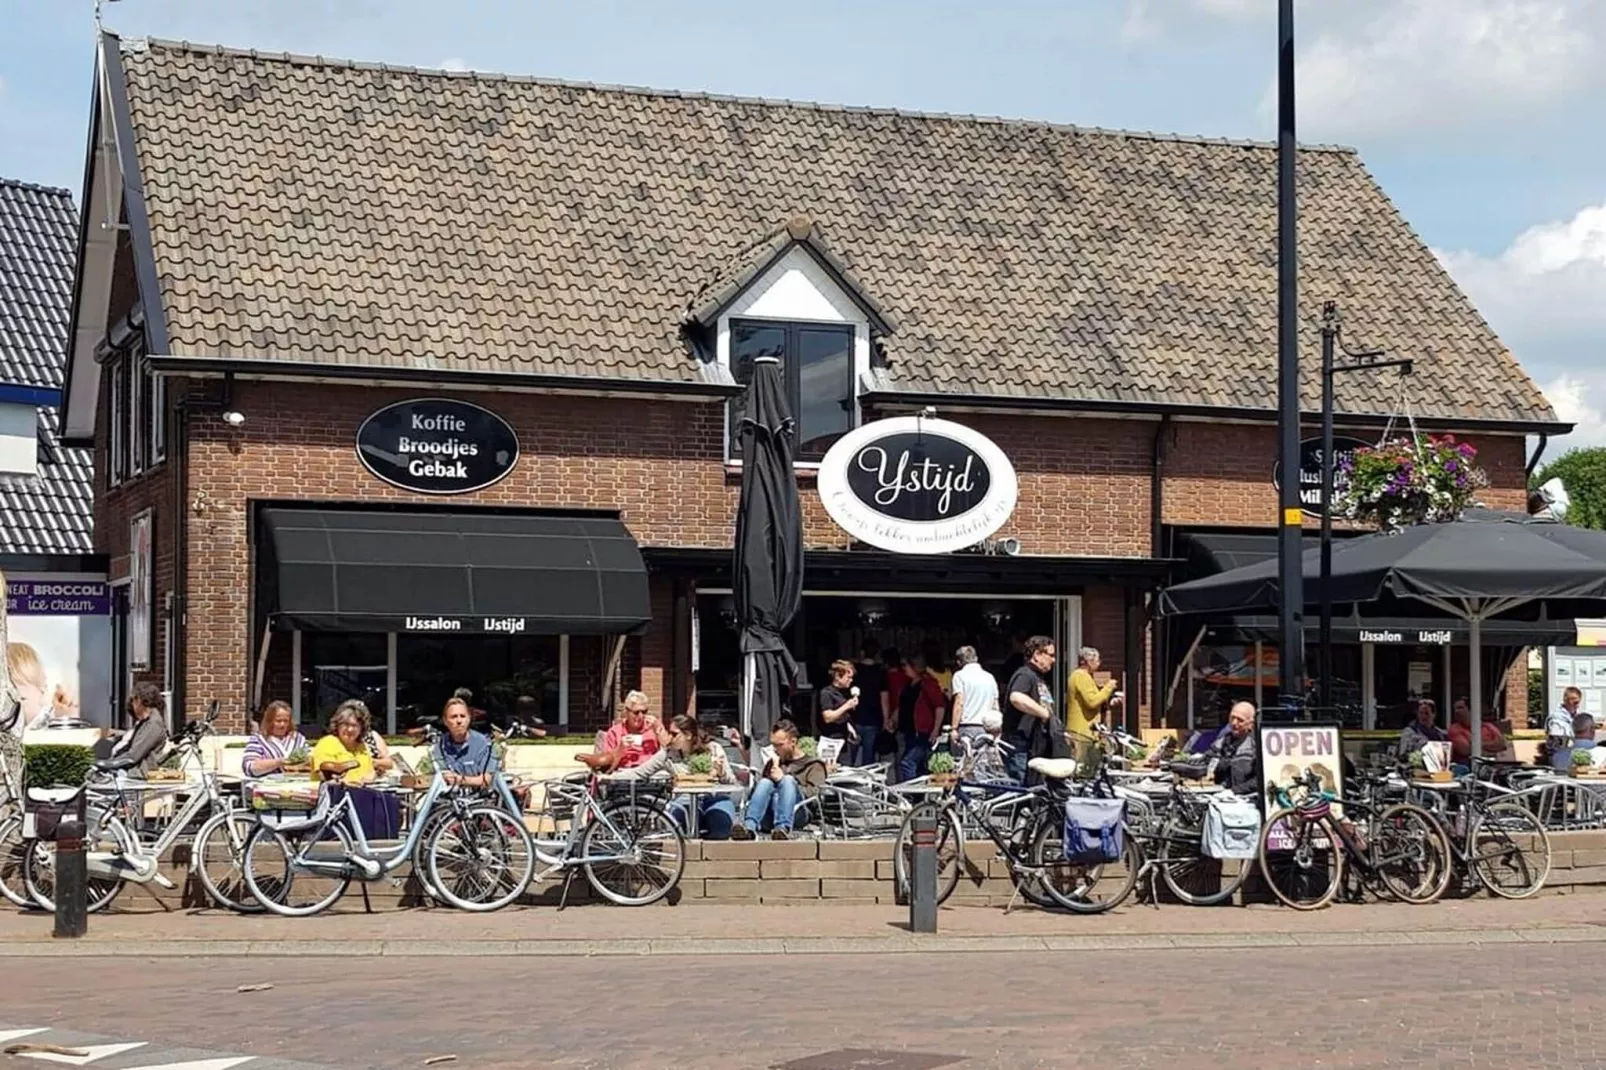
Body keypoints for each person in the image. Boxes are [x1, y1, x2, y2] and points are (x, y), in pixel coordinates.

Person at [617, 714, 737, 839]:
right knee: (678, 829)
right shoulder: (668, 754)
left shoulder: (713, 749)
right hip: (684, 802)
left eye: (674, 734)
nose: (670, 738)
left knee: (720, 830)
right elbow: (639, 772)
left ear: (688, 735)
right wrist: (610, 776)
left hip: (714, 799)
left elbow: (731, 782)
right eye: (669, 733)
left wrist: (721, 771)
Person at [732, 720, 822, 841]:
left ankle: (782, 828)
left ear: (793, 742)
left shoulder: (813, 765)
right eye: (773, 745)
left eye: (779, 745)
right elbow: (759, 792)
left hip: (797, 813)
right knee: (765, 782)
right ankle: (749, 828)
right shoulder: (773, 762)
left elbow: (815, 796)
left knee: (788, 780)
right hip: (768, 813)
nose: (774, 749)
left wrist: (783, 781)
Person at [1005, 635, 1057, 783]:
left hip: (1031, 743)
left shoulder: (1037, 677)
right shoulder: (1025, 675)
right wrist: (1044, 713)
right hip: (1019, 742)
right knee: (1020, 790)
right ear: (1037, 655)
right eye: (1051, 655)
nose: (1053, 660)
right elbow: (1016, 697)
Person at [1176, 701, 1258, 795]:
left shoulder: (1257, 746)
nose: (1234, 723)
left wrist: (1233, 791)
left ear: (1251, 723)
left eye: (1240, 720)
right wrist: (1185, 763)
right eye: (1232, 718)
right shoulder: (1223, 741)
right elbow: (1206, 759)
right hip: (1221, 795)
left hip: (1247, 800)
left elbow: (1260, 780)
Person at [577, 690, 666, 773]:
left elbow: (670, 753)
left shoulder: (653, 729)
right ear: (627, 712)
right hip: (623, 774)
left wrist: (659, 728)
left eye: (644, 712)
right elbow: (607, 769)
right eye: (636, 712)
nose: (640, 716)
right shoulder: (615, 732)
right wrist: (621, 749)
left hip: (651, 774)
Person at [95, 683, 170, 779]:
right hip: (132, 771)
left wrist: (108, 764)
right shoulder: (145, 722)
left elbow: (133, 756)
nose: (132, 705)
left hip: (138, 774)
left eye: (132, 701)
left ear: (138, 700)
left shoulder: (153, 724)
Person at [898, 653, 947, 783]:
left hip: (922, 731)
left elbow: (939, 706)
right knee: (919, 766)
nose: (904, 668)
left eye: (906, 665)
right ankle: (920, 797)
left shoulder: (928, 683)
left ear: (915, 667)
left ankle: (911, 795)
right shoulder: (908, 683)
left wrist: (935, 729)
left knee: (908, 763)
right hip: (909, 729)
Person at [435, 696, 499, 789]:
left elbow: (486, 780)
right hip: (449, 799)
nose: (459, 721)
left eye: (462, 716)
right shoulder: (439, 746)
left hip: (480, 799)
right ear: (445, 721)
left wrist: (459, 779)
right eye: (454, 717)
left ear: (469, 719)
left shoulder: (485, 744)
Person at [310, 701, 377, 785]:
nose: (350, 729)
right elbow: (325, 775)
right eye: (346, 724)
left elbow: (370, 772)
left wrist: (370, 778)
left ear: (361, 729)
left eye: (354, 725)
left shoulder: (362, 746)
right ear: (337, 725)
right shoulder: (327, 743)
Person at [947, 645, 1000, 748]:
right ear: (976, 658)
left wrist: (954, 728)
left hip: (967, 726)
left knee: (965, 760)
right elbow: (995, 705)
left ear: (959, 662)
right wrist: (997, 729)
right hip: (987, 727)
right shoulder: (990, 677)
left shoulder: (959, 676)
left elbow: (959, 702)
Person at [1067, 646, 1121, 744]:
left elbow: (1092, 700)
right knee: (1083, 759)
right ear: (1089, 661)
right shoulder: (1080, 676)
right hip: (1082, 733)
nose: (1099, 663)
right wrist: (1109, 687)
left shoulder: (1085, 676)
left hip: (1087, 733)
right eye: (1097, 660)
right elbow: (1092, 701)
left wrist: (1109, 702)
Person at [241, 700, 309, 778]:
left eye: (286, 721)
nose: (282, 724)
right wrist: (279, 762)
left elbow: (307, 763)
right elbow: (249, 767)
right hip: (267, 785)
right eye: (278, 721)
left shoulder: (298, 739)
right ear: (270, 721)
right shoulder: (258, 740)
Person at [852, 640, 888, 767]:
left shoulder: (854, 672)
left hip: (855, 717)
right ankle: (867, 783)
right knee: (869, 757)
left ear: (862, 653)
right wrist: (886, 718)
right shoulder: (881, 672)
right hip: (874, 718)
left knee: (851, 756)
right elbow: (884, 698)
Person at [1449, 698, 1506, 766]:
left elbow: (1502, 744)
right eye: (1455, 709)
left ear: (1470, 709)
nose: (1456, 711)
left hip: (1493, 765)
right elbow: (1466, 750)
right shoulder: (1454, 729)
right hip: (1467, 766)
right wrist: (1493, 752)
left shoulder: (1488, 726)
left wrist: (1477, 744)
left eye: (1460, 708)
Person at [1546, 687, 1583, 770]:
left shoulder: (1576, 717)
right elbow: (1556, 742)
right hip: (1559, 755)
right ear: (1565, 700)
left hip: (1572, 753)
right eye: (1572, 699)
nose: (1576, 702)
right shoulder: (1556, 718)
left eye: (1577, 700)